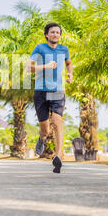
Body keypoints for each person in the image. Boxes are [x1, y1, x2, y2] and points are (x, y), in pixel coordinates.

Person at [26, 23, 73, 173]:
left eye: (57, 33)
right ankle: (42, 138)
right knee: (45, 130)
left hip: (57, 91)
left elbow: (69, 63)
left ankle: (58, 156)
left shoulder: (64, 49)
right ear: (47, 34)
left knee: (57, 121)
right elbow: (29, 68)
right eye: (52, 32)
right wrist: (45, 66)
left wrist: (70, 74)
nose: (55, 35)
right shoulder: (40, 48)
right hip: (40, 91)